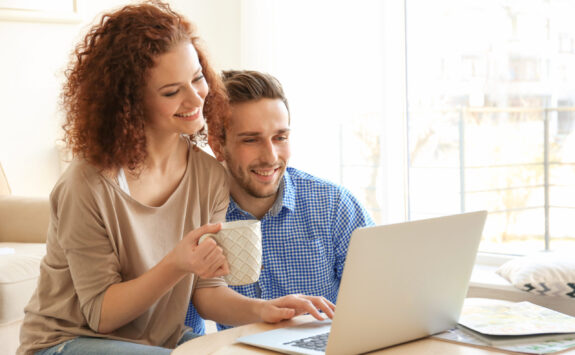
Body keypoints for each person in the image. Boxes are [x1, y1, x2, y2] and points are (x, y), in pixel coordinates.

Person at [17, 3, 334, 355]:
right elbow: (100, 315)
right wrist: (177, 264)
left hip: (159, 343)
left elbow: (207, 292)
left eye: (197, 78)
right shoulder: (87, 183)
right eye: (171, 91)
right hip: (67, 341)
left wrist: (267, 310)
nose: (196, 97)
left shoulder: (209, 175)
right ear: (130, 102)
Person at [185, 70, 374, 331]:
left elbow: (382, 296)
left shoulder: (334, 206)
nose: (270, 156)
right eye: (251, 140)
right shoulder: (198, 217)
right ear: (218, 144)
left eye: (280, 138)